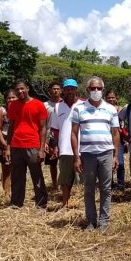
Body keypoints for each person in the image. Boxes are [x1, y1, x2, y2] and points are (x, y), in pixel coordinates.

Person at [71, 76, 120, 232]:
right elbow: (73, 133)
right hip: (87, 155)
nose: (96, 91)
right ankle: (91, 221)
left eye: (99, 88)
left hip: (106, 153)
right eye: (93, 88)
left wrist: (115, 155)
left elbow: (116, 134)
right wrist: (76, 157)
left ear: (103, 90)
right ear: (87, 90)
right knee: (89, 188)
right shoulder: (78, 108)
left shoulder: (111, 109)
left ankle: (104, 220)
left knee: (106, 188)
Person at [5, 80, 48, 208]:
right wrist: (8, 147)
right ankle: (16, 202)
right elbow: (11, 127)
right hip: (16, 145)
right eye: (17, 89)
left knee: (37, 175)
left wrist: (41, 149)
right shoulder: (12, 106)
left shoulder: (38, 104)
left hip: (33, 145)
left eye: (22, 88)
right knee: (17, 176)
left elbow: (43, 128)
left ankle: (41, 203)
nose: (20, 91)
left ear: (27, 88)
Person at [50, 79, 82, 208]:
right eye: (67, 88)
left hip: (82, 147)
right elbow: (55, 129)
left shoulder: (84, 104)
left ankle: (84, 205)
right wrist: (55, 146)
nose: (70, 91)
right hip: (65, 148)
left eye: (72, 88)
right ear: (64, 90)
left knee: (84, 179)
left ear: (76, 89)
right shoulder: (58, 106)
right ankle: (65, 203)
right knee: (65, 179)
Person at [0, 89, 17, 197]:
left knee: (17, 168)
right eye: (9, 98)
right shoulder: (1, 110)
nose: (11, 99)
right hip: (4, 140)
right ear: (5, 99)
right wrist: (4, 143)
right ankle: (6, 193)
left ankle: (16, 191)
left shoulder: (20, 109)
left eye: (13, 97)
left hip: (17, 141)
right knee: (6, 169)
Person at [43, 81, 62, 191]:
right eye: (53, 89)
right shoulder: (45, 105)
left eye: (57, 89)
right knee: (53, 163)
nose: (55, 91)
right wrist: (44, 141)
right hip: (50, 136)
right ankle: (55, 184)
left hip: (63, 136)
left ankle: (64, 183)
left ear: (61, 90)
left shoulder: (65, 104)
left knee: (64, 162)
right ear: (50, 90)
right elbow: (43, 124)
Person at [105, 90, 126, 191]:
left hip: (119, 139)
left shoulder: (121, 110)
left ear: (116, 98)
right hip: (106, 139)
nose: (111, 99)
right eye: (109, 97)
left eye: (113, 97)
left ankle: (121, 183)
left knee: (120, 162)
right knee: (108, 163)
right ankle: (110, 183)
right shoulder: (103, 109)